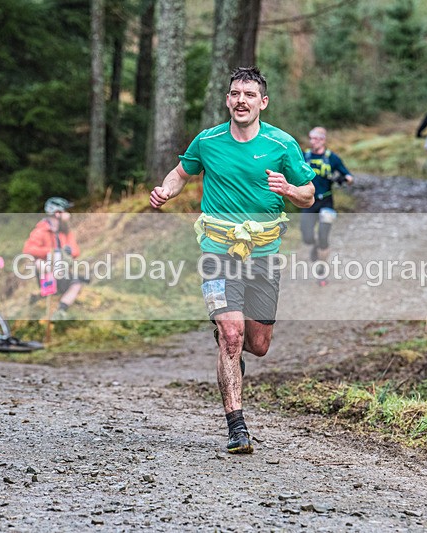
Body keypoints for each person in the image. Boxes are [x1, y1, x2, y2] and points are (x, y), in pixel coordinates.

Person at [150, 66, 315, 454]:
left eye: (249, 95)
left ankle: (231, 346)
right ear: (227, 100)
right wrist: (165, 191)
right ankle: (236, 426)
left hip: (263, 254)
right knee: (232, 336)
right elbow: (180, 173)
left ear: (263, 102)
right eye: (235, 93)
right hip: (218, 250)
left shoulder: (282, 144)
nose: (241, 100)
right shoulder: (208, 141)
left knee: (257, 345)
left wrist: (289, 188)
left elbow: (309, 195)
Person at [301, 127, 354, 287]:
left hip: (326, 202)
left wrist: (341, 179)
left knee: (324, 236)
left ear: (323, 140)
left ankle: (321, 272)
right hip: (309, 202)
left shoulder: (332, 158)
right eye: (311, 138)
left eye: (316, 138)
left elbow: (349, 177)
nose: (313, 141)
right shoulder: (305, 156)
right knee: (307, 236)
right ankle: (315, 246)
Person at [23, 197, 84, 320]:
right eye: (66, 211)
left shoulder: (66, 232)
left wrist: (67, 252)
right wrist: (51, 252)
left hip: (63, 272)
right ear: (57, 213)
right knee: (40, 263)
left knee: (78, 283)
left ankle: (61, 309)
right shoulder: (41, 231)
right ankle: (47, 292)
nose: (68, 215)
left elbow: (76, 251)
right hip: (47, 272)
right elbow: (28, 249)